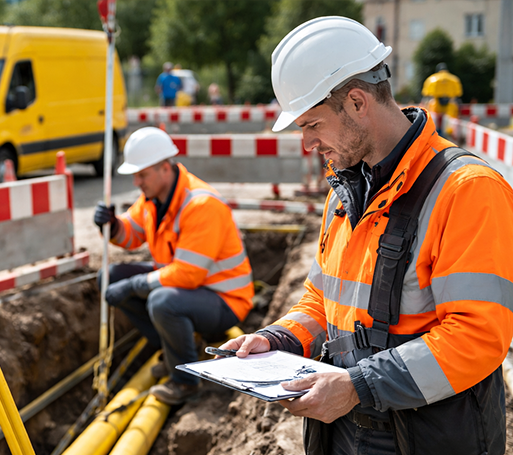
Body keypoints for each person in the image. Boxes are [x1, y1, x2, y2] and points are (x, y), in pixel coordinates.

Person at [221, 16, 513, 455]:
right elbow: (324, 298)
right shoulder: (345, 192)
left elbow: (478, 336)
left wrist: (359, 385)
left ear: (357, 102)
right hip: (343, 425)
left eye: (312, 125)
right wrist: (279, 339)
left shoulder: (467, 190)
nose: (308, 144)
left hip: (429, 434)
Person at [94, 126, 254, 405]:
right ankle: (173, 350)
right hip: (185, 288)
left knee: (162, 301)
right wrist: (112, 225)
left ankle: (184, 381)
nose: (136, 182)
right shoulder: (153, 199)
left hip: (224, 300)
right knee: (110, 276)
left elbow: (188, 274)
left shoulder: (201, 204)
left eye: (142, 175)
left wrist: (133, 285)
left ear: (164, 169)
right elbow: (131, 235)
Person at [421, 62, 462, 135]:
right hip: (450, 102)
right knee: (451, 118)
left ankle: (433, 132)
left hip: (436, 102)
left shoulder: (431, 79)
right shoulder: (454, 79)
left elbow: (426, 93)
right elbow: (458, 93)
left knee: (433, 116)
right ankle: (450, 132)